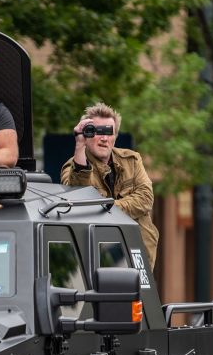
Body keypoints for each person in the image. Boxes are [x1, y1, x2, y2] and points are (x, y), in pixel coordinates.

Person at [60, 102, 159, 269]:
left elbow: (146, 199)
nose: (104, 138)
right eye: (97, 132)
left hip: (139, 257)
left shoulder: (132, 161)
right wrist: (79, 145)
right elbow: (76, 202)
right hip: (98, 260)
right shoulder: (72, 167)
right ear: (87, 134)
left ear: (115, 136)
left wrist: (107, 207)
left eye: (108, 132)